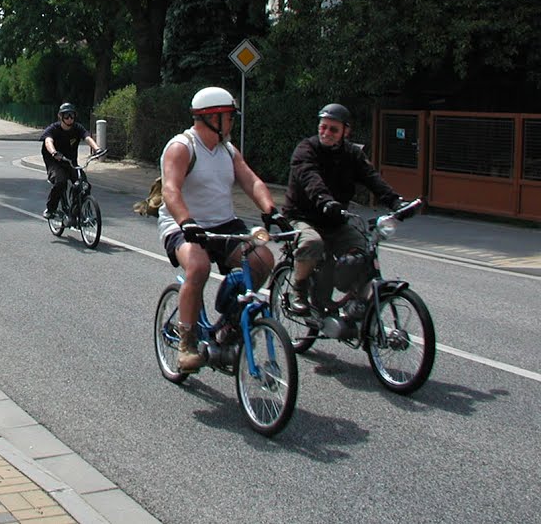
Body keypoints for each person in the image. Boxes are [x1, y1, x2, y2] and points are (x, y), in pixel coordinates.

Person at [158, 87, 282, 373]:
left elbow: (252, 181)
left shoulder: (227, 149)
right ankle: (186, 344)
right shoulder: (182, 146)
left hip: (223, 224)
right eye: (229, 117)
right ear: (211, 117)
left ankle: (229, 322)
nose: (232, 122)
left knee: (262, 260)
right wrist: (187, 222)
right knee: (199, 266)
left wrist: (271, 211)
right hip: (182, 224)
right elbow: (170, 190)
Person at [283, 103, 403, 315]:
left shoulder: (352, 154)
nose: (326, 132)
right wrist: (326, 201)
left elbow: (372, 178)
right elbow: (311, 178)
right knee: (312, 243)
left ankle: (356, 300)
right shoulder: (306, 150)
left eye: (333, 129)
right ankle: (298, 292)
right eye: (323, 127)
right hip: (303, 217)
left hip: (335, 220)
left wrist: (396, 202)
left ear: (345, 131)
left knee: (363, 250)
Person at [40, 102, 101, 220]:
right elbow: (48, 141)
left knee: (84, 185)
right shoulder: (53, 129)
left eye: (72, 115)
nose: (69, 118)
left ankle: (76, 211)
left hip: (71, 163)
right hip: (55, 162)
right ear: (60, 116)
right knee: (60, 182)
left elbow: (87, 137)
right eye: (66, 115)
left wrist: (97, 149)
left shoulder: (77, 128)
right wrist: (54, 152)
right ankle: (50, 209)